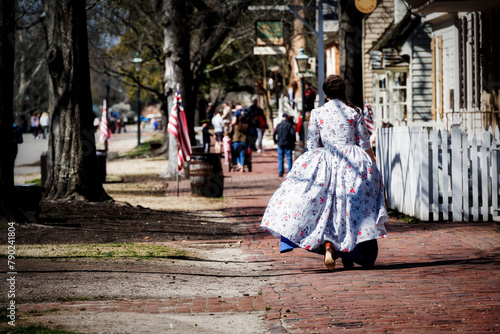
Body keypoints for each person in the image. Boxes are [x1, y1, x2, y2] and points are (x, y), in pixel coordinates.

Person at [261, 74, 388, 271]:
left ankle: (329, 245)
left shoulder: (317, 113)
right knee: (350, 208)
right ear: (343, 91)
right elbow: (364, 143)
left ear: (325, 93)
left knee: (327, 207)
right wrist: (373, 165)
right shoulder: (354, 112)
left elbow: (311, 145)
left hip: (326, 160)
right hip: (352, 162)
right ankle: (349, 252)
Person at [273, 113, 295, 177]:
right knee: (289, 158)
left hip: (280, 143)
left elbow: (274, 133)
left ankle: (280, 171)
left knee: (280, 158)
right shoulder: (289, 125)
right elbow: (292, 134)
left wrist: (275, 141)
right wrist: (293, 142)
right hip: (288, 143)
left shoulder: (279, 125)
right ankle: (289, 171)